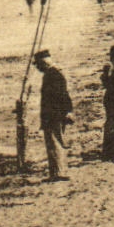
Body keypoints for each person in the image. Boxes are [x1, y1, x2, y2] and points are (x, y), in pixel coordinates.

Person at [33, 49, 72, 181]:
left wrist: (64, 112)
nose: (38, 68)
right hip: (55, 115)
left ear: (43, 63)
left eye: (38, 65)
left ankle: (58, 173)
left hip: (53, 116)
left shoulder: (52, 75)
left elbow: (60, 96)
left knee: (54, 143)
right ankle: (58, 172)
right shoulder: (55, 73)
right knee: (56, 143)